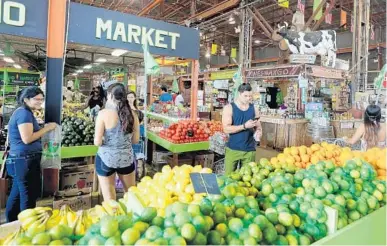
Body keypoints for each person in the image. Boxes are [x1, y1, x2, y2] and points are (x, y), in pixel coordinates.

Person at [5, 87, 56, 222]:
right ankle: (28, 225)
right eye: (36, 99)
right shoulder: (24, 114)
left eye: (41, 99)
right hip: (24, 160)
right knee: (28, 194)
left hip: (20, 160)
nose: (40, 102)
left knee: (17, 192)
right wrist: (46, 129)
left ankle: (11, 222)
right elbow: (27, 138)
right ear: (26, 99)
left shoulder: (23, 112)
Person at [94, 83, 140, 201]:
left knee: (110, 199)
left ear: (109, 95)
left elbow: (97, 142)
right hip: (126, 159)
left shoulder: (103, 114)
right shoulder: (133, 115)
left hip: (106, 159)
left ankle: (113, 216)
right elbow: (135, 141)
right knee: (131, 196)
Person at [222, 83, 262, 175]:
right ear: (239, 94)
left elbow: (258, 127)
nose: (248, 98)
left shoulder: (254, 109)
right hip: (233, 149)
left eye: (250, 96)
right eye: (246, 96)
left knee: (246, 180)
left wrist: (259, 132)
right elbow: (226, 129)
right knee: (229, 178)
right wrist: (244, 126)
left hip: (249, 150)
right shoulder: (229, 108)